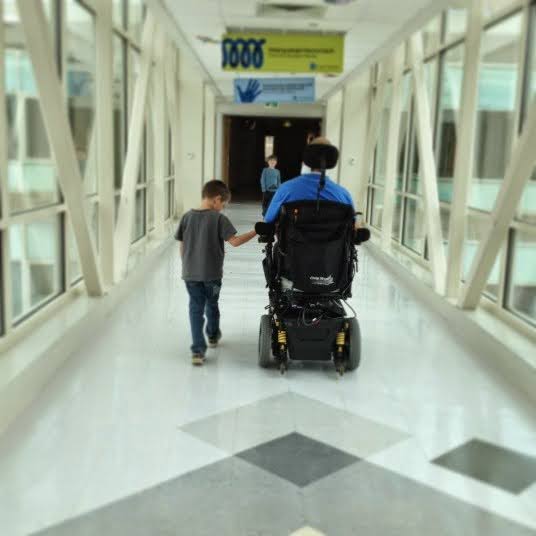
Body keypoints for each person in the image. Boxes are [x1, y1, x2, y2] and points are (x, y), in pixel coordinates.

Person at [175, 180, 257, 366]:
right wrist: (255, 231)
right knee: (211, 304)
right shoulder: (218, 219)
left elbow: (182, 246)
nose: (223, 208)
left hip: (191, 275)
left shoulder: (187, 217)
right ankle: (212, 335)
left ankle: (197, 351)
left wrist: (187, 266)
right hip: (212, 276)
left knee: (195, 308)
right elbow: (235, 241)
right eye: (223, 204)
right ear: (216, 199)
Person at [264, 137, 354, 224]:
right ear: (331, 160)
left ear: (307, 158)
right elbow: (353, 224)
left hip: (292, 235)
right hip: (334, 235)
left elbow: (268, 219)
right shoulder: (344, 195)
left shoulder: (285, 189)